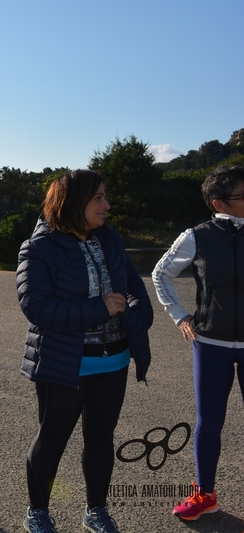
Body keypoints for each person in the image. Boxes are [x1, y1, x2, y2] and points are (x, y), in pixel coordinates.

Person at [16, 170, 153, 533]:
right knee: (51, 440)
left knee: (100, 440)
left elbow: (136, 291)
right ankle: (38, 512)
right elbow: (37, 307)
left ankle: (96, 510)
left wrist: (137, 318)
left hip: (114, 360)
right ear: (74, 201)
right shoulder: (39, 247)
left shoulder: (110, 239)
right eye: (98, 198)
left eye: (105, 196)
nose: (107, 205)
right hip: (65, 362)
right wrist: (100, 307)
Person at [151, 164, 244, 521]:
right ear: (220, 203)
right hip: (210, 342)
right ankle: (205, 496)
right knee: (209, 423)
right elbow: (161, 273)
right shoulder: (196, 236)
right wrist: (179, 315)